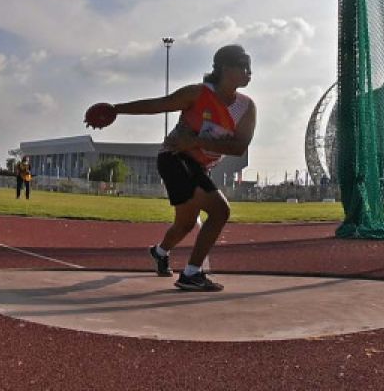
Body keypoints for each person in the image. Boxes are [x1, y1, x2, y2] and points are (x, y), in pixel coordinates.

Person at [84, 44, 257, 292]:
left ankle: (160, 251)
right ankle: (192, 274)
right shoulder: (198, 93)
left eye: (250, 68)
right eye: (243, 66)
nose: (248, 72)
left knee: (185, 224)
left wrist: (197, 140)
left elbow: (239, 147)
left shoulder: (246, 107)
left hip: (200, 166)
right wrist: (117, 109)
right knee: (220, 211)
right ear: (224, 68)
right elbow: (159, 104)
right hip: (174, 158)